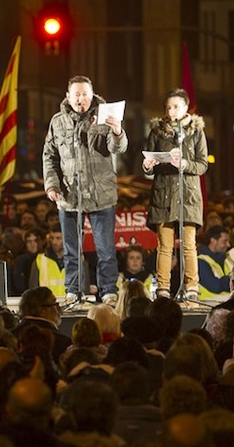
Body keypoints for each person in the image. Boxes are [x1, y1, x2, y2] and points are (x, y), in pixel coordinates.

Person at [43, 75, 127, 306]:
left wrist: (118, 131)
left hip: (101, 194)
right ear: (68, 97)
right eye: (77, 94)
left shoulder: (105, 116)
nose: (81, 99)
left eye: (86, 94)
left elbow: (118, 148)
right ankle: (73, 290)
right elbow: (49, 155)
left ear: (93, 95)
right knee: (71, 249)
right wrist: (51, 185)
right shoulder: (57, 122)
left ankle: (108, 290)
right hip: (69, 195)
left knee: (105, 249)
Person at [143, 88, 208, 300]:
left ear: (186, 108)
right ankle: (163, 288)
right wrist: (148, 165)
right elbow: (149, 162)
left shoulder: (196, 131)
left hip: (187, 194)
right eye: (168, 107)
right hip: (164, 194)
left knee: (189, 245)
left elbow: (202, 164)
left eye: (176, 107)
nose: (171, 112)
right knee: (164, 246)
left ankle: (191, 287)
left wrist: (185, 163)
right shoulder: (157, 131)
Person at [197, 225, 231, 300]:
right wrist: (233, 280)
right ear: (213, 241)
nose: (228, 245)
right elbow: (215, 286)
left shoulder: (227, 260)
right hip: (207, 307)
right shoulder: (201, 261)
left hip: (225, 306)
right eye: (224, 241)